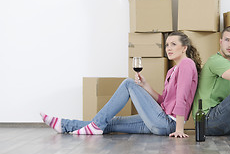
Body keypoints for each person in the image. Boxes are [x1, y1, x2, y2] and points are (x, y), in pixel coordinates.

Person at [41, 31, 201, 138]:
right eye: (167, 45)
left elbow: (182, 98)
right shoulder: (172, 70)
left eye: (173, 44)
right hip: (159, 119)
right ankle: (64, 125)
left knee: (128, 83)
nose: (168, 48)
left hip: (168, 123)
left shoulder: (187, 64)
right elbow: (162, 101)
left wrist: (179, 129)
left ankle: (94, 125)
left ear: (184, 47)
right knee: (111, 122)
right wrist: (146, 86)